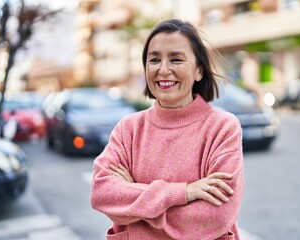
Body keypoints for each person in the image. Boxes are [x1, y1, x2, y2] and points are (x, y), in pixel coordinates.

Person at [91, 18, 245, 240]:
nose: (163, 70)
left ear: (199, 71)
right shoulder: (129, 129)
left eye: (176, 59)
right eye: (154, 59)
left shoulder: (222, 127)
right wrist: (182, 193)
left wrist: (135, 202)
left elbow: (217, 216)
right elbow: (102, 193)